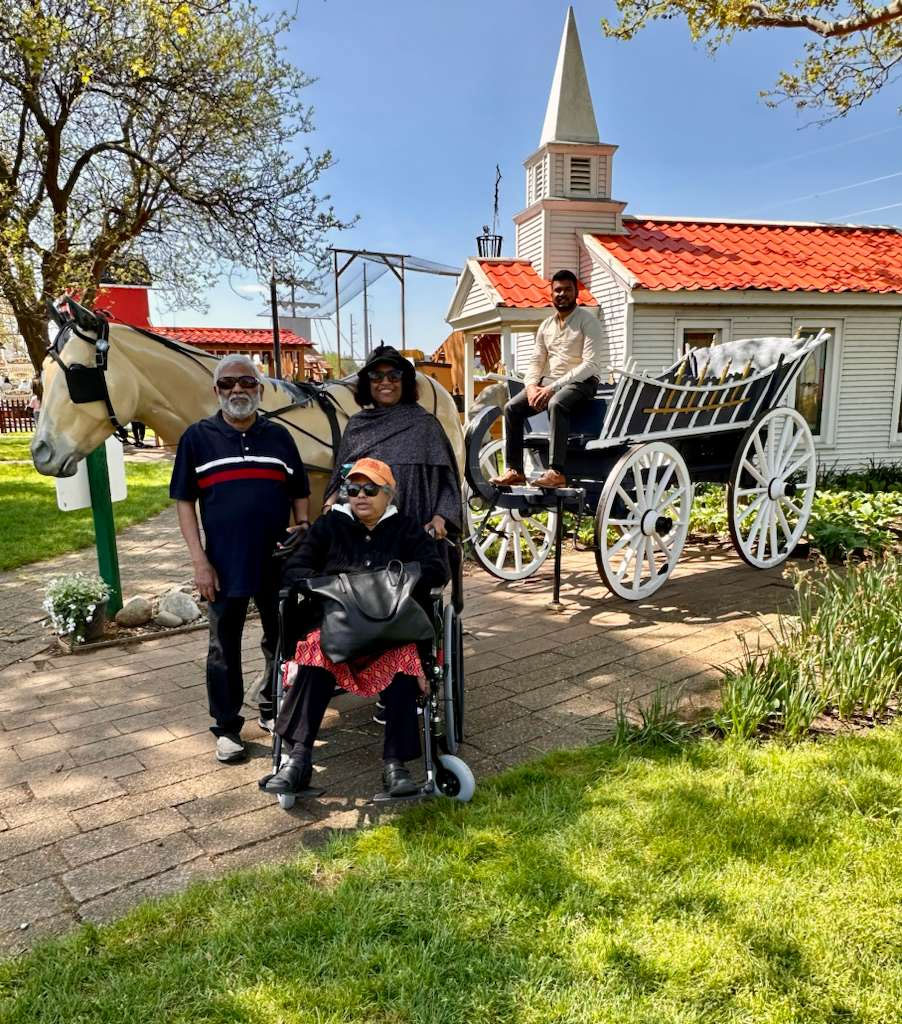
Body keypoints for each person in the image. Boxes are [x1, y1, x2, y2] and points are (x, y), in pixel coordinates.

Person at [262, 458, 448, 798]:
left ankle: (396, 765)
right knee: (315, 652)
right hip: (336, 624)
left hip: (389, 627)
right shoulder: (329, 526)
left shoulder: (406, 528)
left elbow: (436, 571)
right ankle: (298, 760)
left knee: (404, 657)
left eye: (370, 489)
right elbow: (295, 568)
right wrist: (334, 587)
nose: (360, 495)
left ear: (388, 495)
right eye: (353, 488)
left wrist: (393, 584)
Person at [170, 354, 310, 763]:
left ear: (259, 390)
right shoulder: (197, 438)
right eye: (228, 383)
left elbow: (299, 489)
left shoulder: (279, 436)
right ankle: (227, 727)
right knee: (223, 646)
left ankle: (272, 705)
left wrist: (302, 523)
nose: (237, 390)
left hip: (277, 559)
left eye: (247, 382)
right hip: (223, 563)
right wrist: (199, 561)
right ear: (216, 390)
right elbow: (184, 503)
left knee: (281, 639)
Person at [323, 344, 461, 543]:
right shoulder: (356, 426)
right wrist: (328, 510)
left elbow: (447, 482)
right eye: (376, 376)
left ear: (404, 381)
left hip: (417, 534)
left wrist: (440, 518)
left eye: (394, 375)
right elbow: (342, 479)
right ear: (367, 383)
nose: (385, 382)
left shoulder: (425, 425)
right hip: (366, 540)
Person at [491, 269, 610, 489]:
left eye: (567, 289)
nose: (562, 294)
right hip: (551, 382)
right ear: (551, 294)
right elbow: (536, 361)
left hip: (583, 382)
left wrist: (552, 388)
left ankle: (556, 472)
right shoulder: (546, 326)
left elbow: (591, 365)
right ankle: (515, 471)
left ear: (576, 293)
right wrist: (531, 387)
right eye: (557, 290)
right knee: (512, 408)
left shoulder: (588, 322)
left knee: (556, 403)